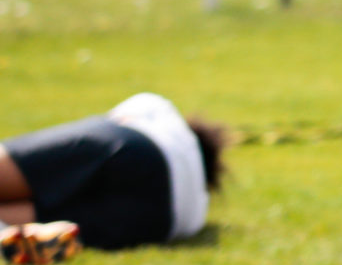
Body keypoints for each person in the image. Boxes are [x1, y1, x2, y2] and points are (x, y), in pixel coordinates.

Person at [0, 93, 226, 251]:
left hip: (132, 147)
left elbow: (116, 121)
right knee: (23, 221)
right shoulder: (196, 212)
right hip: (159, 216)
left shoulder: (165, 118)